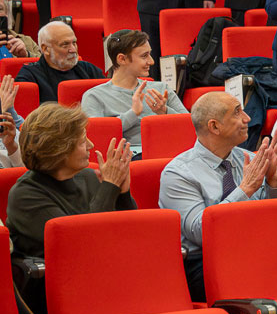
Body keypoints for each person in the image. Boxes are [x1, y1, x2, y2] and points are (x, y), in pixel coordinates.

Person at [158, 92, 277, 301]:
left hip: (258, 252)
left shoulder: (252, 160)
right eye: (238, 112)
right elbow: (201, 232)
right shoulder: (178, 174)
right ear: (214, 127)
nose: (248, 119)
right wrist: (244, 190)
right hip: (206, 262)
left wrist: (273, 182)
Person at [6, 104, 135, 262]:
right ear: (58, 151)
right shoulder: (25, 196)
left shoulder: (88, 176)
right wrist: (109, 186)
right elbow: (80, 242)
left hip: (103, 266)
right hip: (55, 279)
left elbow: (129, 233)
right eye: (82, 142)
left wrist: (122, 191)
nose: (91, 145)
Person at [81, 29, 187, 146]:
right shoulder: (94, 96)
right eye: (144, 56)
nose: (151, 62)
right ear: (122, 59)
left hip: (168, 151)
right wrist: (133, 114)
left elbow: (189, 125)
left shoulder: (161, 88)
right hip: (127, 157)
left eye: (149, 54)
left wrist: (165, 111)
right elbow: (97, 136)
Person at [16, 22, 105, 102]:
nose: (73, 50)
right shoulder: (30, 75)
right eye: (65, 45)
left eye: (74, 43)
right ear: (45, 49)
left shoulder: (88, 69)